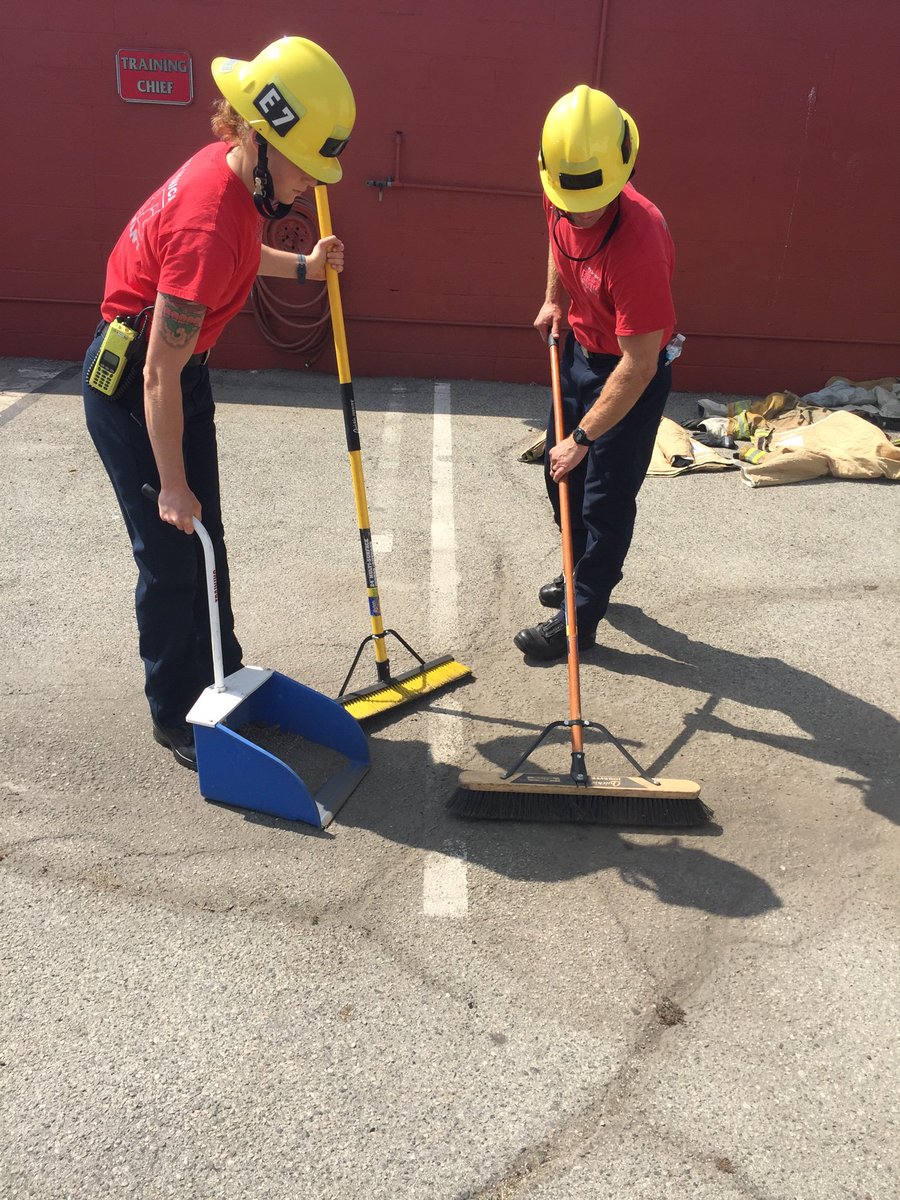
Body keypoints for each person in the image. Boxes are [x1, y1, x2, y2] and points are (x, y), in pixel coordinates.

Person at [82, 36, 355, 768]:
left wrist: (299, 264)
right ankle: (179, 715)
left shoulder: (236, 185)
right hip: (137, 383)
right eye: (305, 168)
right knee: (173, 555)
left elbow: (239, 248)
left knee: (210, 543)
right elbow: (155, 375)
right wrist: (170, 483)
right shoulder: (207, 216)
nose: (308, 185)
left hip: (178, 376)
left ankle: (224, 678)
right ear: (262, 140)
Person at [516, 85, 677, 660]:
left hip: (628, 372)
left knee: (604, 500)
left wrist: (584, 438)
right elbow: (559, 245)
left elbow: (639, 364)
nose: (577, 210)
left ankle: (579, 619)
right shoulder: (561, 187)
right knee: (560, 480)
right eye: (567, 200)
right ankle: (580, 570)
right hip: (580, 352)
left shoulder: (640, 243)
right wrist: (554, 300)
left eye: (591, 203)